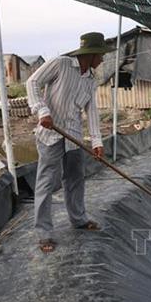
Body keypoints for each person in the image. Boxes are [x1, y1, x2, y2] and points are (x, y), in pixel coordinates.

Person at [26, 32, 115, 253]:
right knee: (46, 183)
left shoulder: (90, 80)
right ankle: (44, 233)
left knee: (75, 179)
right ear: (91, 54)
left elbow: (91, 110)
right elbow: (32, 81)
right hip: (51, 136)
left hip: (73, 137)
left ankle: (79, 219)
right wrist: (42, 110)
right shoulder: (61, 64)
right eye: (101, 55)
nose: (102, 60)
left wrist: (97, 141)